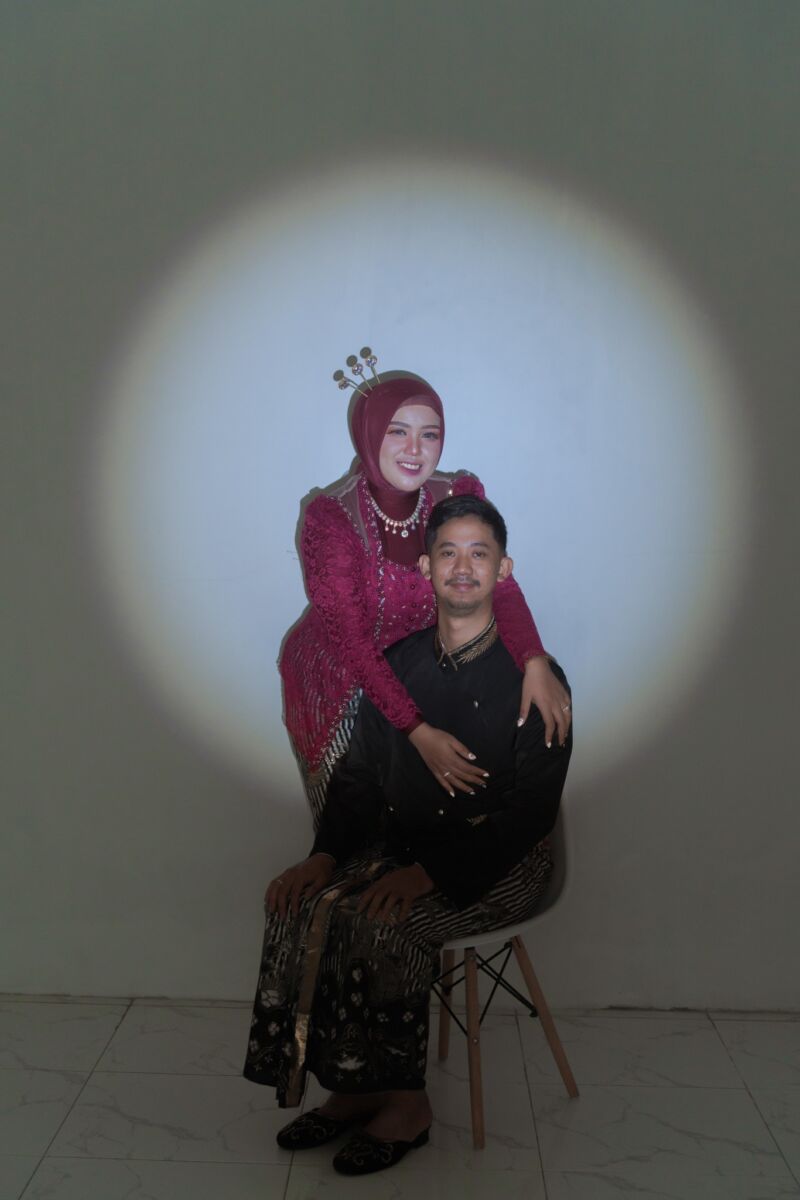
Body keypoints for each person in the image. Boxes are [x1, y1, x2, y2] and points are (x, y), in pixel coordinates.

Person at [244, 494, 572, 1176]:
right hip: (408, 847)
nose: (463, 567)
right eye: (448, 552)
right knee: (300, 905)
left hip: (507, 861)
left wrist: (429, 876)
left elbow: (532, 813)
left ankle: (406, 1106)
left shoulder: (535, 679)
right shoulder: (397, 665)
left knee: (385, 924)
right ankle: (352, 1088)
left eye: (479, 553)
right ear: (425, 568)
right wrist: (324, 855)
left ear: (504, 570)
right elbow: (359, 779)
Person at [280, 349, 571, 828]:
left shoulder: (455, 495)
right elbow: (353, 643)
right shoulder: (332, 519)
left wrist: (534, 660)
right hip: (343, 683)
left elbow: (499, 583)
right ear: (368, 433)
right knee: (352, 821)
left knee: (419, 815)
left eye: (429, 434)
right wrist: (416, 731)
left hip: (420, 670)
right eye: (398, 431)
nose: (415, 449)